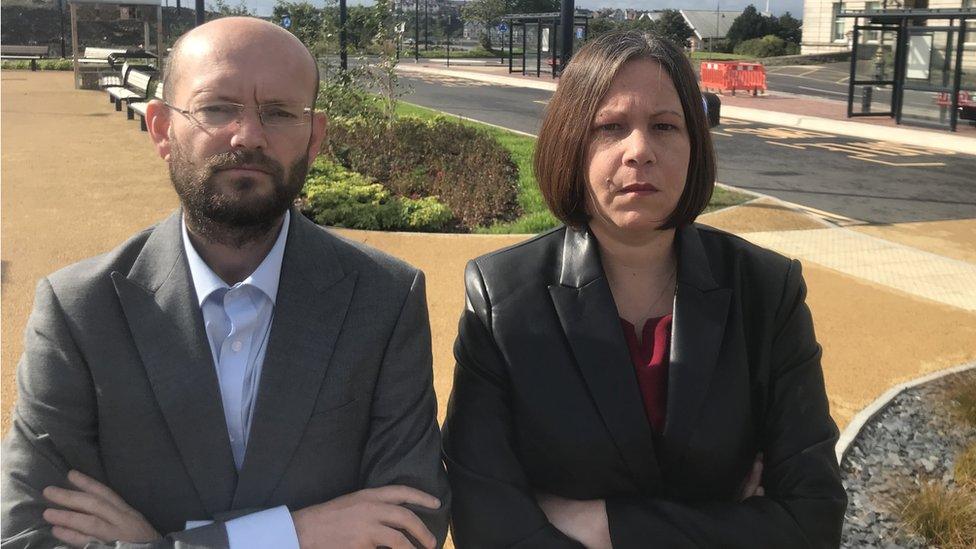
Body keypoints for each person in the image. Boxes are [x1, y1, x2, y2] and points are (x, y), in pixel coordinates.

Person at [2, 17, 449, 549]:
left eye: (280, 112)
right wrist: (294, 533)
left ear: (314, 137)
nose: (249, 135)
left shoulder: (385, 298)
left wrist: (153, 542)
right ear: (163, 130)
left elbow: (410, 523)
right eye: (217, 108)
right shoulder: (79, 311)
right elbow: (28, 536)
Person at [442, 31, 847, 548]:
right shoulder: (502, 298)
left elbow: (812, 522)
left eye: (664, 126)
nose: (640, 151)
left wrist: (603, 525)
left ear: (694, 144)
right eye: (610, 127)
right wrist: (729, 524)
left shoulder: (767, 292)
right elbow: (485, 523)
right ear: (571, 144)